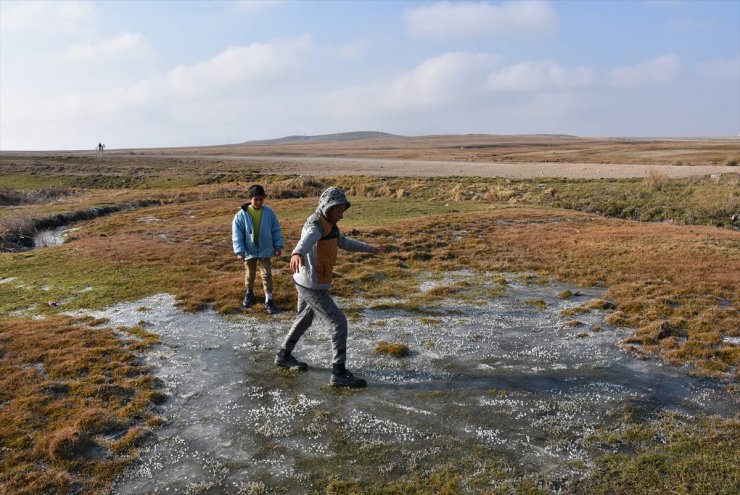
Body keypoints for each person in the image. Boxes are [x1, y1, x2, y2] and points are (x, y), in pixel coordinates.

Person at [275, 187, 380, 388]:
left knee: (305, 318)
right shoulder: (316, 225)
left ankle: (283, 355)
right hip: (312, 284)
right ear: (327, 207)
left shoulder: (329, 224)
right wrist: (297, 253)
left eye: (343, 210)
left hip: (305, 279)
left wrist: (369, 248)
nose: (341, 215)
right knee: (338, 323)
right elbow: (307, 240)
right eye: (338, 210)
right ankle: (338, 372)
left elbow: (344, 242)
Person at [232, 184, 284, 314]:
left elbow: (276, 230)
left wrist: (278, 246)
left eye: (261, 199)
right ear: (250, 198)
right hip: (249, 250)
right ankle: (249, 293)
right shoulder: (241, 215)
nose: (259, 202)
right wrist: (240, 251)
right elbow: (237, 234)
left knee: (267, 275)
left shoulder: (269, 213)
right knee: (250, 274)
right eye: (256, 199)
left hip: (265, 249)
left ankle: (269, 300)